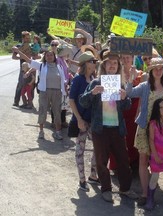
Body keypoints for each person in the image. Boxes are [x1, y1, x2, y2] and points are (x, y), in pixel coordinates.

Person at [79, 49, 138, 203]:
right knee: (101, 160)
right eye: (109, 63)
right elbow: (83, 102)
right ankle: (106, 189)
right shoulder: (96, 82)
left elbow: (126, 106)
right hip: (100, 128)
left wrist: (125, 97)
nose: (112, 65)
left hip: (117, 128)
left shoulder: (120, 82)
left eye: (114, 63)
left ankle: (125, 188)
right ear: (103, 65)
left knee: (123, 160)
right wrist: (92, 93)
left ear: (118, 65)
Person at [126, 57, 163, 205]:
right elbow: (129, 93)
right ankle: (145, 194)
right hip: (145, 128)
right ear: (150, 71)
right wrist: (131, 77)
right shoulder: (145, 86)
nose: (158, 71)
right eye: (155, 68)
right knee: (143, 160)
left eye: (160, 68)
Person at [12, 47, 66, 140]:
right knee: (42, 111)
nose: (49, 57)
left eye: (51, 55)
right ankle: (41, 131)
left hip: (57, 92)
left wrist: (65, 87)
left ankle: (58, 132)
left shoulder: (59, 66)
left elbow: (63, 79)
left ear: (54, 56)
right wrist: (18, 51)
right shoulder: (41, 65)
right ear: (45, 57)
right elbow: (28, 59)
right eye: (47, 55)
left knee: (57, 112)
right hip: (44, 92)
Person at [69, 51, 99, 192]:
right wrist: (79, 119)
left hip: (93, 120)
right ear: (86, 63)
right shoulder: (78, 79)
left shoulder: (94, 78)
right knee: (80, 150)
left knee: (98, 148)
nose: (95, 64)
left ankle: (93, 174)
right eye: (93, 61)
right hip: (82, 120)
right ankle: (82, 180)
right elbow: (71, 100)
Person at [108, 54, 142, 171]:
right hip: (120, 110)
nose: (127, 59)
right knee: (120, 137)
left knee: (133, 137)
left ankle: (134, 164)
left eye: (129, 57)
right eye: (124, 57)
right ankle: (118, 165)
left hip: (135, 111)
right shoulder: (116, 75)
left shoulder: (141, 74)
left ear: (133, 58)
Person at [12, 31, 32, 107]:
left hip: (31, 67)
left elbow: (37, 55)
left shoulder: (31, 45)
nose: (28, 39)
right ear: (23, 38)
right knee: (20, 84)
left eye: (29, 38)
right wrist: (23, 56)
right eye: (26, 38)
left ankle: (29, 103)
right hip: (23, 68)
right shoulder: (18, 46)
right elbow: (13, 57)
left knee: (31, 85)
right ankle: (16, 102)